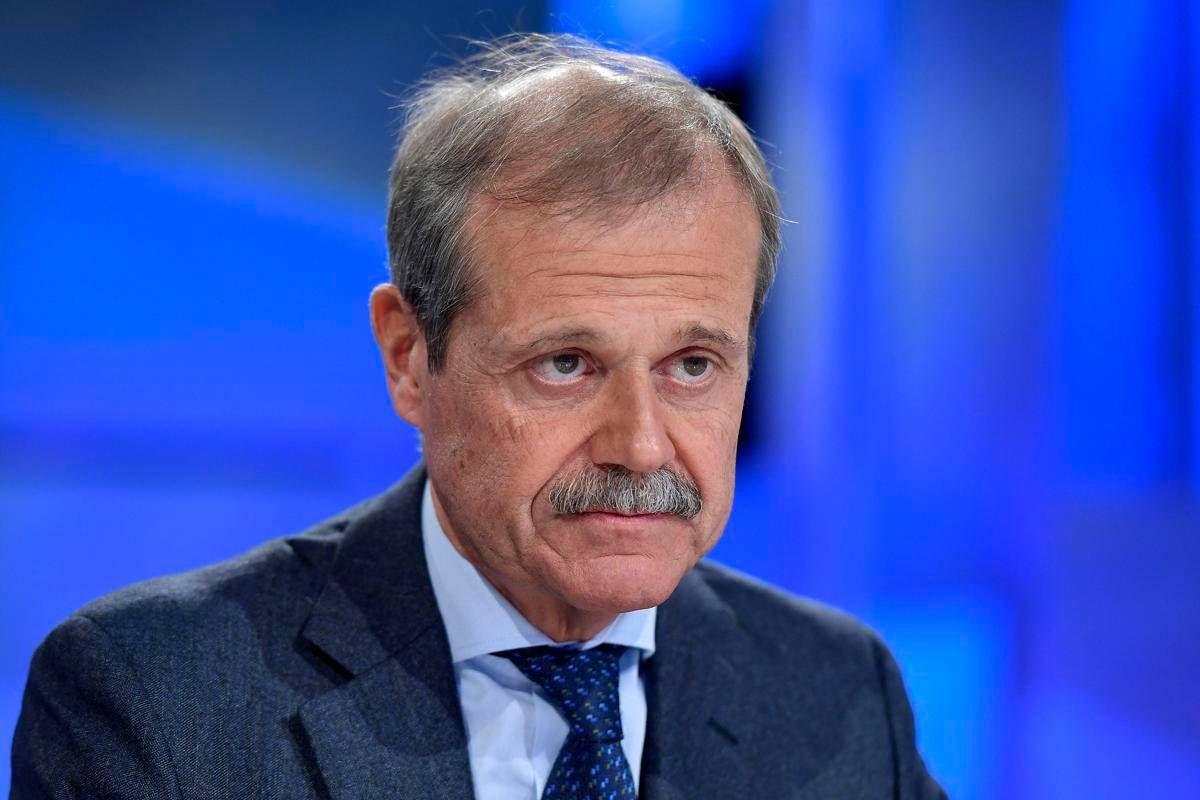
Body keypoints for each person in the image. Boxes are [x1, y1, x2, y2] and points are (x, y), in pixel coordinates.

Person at [11, 34, 946, 799]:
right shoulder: (154, 702)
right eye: (565, 364)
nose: (641, 445)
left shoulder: (837, 692)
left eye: (693, 366)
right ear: (408, 357)